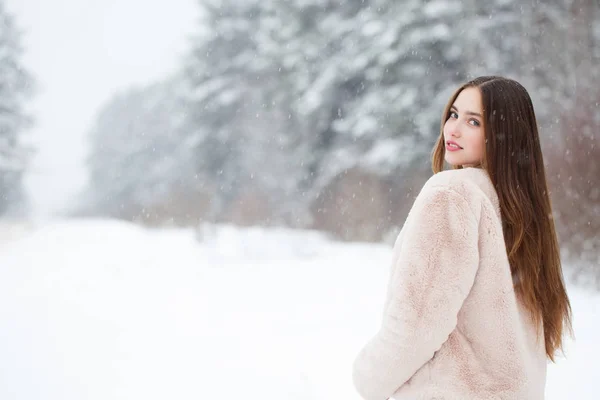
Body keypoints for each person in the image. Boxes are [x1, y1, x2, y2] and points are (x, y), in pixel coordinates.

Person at [352, 76, 572, 400]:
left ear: (503, 136)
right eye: (454, 114)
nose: (452, 130)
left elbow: (415, 326)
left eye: (473, 121)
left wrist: (367, 378)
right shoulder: (523, 213)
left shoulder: (452, 194)